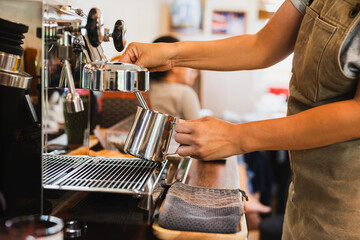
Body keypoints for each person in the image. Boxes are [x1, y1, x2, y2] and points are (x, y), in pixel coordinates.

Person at [119, 0, 360, 239]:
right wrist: (170, 54)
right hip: (304, 193)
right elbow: (261, 46)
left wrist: (236, 137)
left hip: (346, 207)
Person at [149, 36, 200, 120]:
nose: (193, 70)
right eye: (187, 62)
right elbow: (197, 129)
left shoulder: (146, 89)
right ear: (173, 65)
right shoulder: (184, 93)